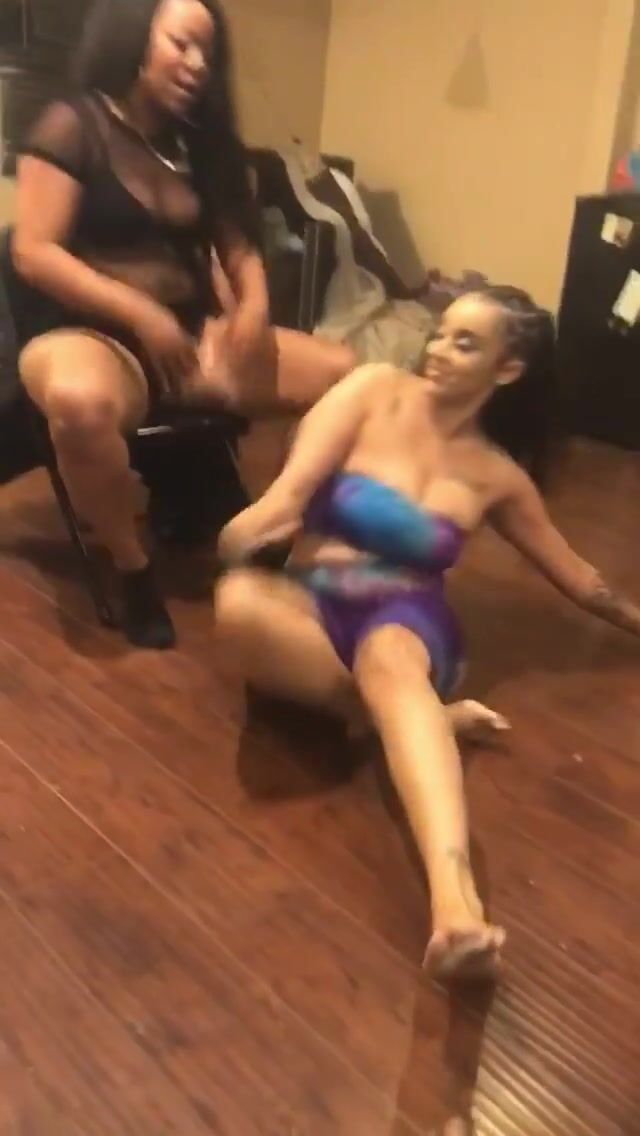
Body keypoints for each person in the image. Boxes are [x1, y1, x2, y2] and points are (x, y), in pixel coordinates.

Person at [213, 285, 640, 982]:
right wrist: (246, 535)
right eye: (440, 333)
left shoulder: (498, 476)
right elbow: (286, 495)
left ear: (507, 369)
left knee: (389, 661)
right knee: (236, 605)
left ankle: (455, 907)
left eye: (464, 343)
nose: (437, 349)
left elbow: (579, 578)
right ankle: (423, 721)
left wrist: (633, 619)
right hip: (307, 605)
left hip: (406, 616)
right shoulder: (372, 389)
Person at [13, 0, 354, 649]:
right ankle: (132, 566)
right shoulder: (73, 124)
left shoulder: (199, 141)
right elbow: (34, 251)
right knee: (79, 404)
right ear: (134, 37)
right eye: (181, 43)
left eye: (208, 51)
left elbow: (239, 247)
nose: (198, 63)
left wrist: (253, 310)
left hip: (193, 339)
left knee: (347, 377)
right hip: (90, 337)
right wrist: (139, 312)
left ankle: (273, 525)